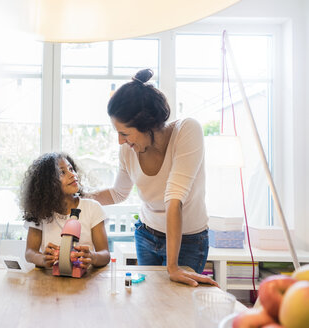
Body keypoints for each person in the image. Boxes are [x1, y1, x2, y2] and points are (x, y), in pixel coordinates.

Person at [88, 68, 218, 287]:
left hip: (188, 240)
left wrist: (173, 268)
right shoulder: (128, 150)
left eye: (125, 133)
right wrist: (77, 197)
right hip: (146, 235)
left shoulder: (187, 131)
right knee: (149, 302)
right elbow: (118, 193)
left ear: (147, 125)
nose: (120, 141)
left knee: (177, 308)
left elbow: (174, 199)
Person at [20, 152, 110, 269]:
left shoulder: (92, 208)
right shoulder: (40, 213)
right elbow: (30, 253)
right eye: (62, 172)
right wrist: (42, 259)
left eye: (71, 169)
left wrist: (92, 257)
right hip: (49, 280)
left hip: (85, 281)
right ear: (47, 183)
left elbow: (105, 254)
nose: (72, 174)